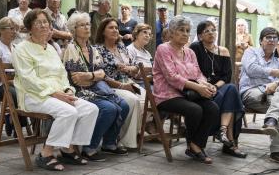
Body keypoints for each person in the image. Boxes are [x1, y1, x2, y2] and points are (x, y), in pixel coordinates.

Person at [12, 8, 99, 171]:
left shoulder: (51, 48)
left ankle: (67, 148)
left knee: (90, 109)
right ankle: (45, 154)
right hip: (34, 95)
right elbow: (28, 79)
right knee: (69, 111)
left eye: (46, 22)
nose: (44, 25)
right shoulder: (21, 48)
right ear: (30, 27)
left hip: (58, 95)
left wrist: (67, 90)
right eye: (38, 22)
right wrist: (56, 93)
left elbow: (61, 74)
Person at [63, 12, 130, 160]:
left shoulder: (93, 49)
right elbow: (75, 79)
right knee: (109, 108)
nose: (87, 27)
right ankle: (89, 148)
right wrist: (95, 76)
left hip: (97, 88)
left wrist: (90, 76)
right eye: (82, 25)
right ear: (74, 29)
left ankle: (109, 143)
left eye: (88, 24)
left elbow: (102, 73)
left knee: (124, 105)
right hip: (80, 91)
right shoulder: (71, 49)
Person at [153, 15, 219, 164]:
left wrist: (206, 85)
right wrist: (198, 87)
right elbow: (172, 77)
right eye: (181, 30)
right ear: (171, 32)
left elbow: (198, 74)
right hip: (167, 95)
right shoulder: (163, 49)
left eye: (187, 30)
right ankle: (194, 146)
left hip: (188, 94)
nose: (185, 33)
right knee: (195, 110)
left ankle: (195, 145)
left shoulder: (189, 52)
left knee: (213, 108)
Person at [190, 20, 246, 158]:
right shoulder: (195, 48)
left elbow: (227, 77)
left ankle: (223, 131)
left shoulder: (224, 51)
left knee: (231, 88)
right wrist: (207, 86)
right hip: (201, 88)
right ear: (200, 36)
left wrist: (215, 86)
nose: (211, 33)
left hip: (219, 87)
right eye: (206, 31)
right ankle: (229, 140)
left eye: (213, 30)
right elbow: (193, 71)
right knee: (231, 95)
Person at [240, 27, 279, 165]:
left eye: (274, 38)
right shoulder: (251, 52)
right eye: (268, 37)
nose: (272, 40)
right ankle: (277, 151)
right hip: (250, 91)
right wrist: (273, 72)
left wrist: (275, 85)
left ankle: (270, 120)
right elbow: (251, 70)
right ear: (261, 41)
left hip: (271, 96)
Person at [95, 17, 143, 149]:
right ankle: (125, 140)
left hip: (129, 81)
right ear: (103, 31)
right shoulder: (98, 49)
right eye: (111, 28)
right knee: (133, 100)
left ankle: (139, 133)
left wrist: (131, 68)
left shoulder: (121, 47)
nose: (115, 30)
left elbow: (134, 66)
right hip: (111, 86)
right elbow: (101, 76)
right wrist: (122, 86)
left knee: (148, 98)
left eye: (116, 27)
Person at [0, 17, 26, 136]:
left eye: (16, 29)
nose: (14, 32)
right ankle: (17, 125)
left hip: (13, 83)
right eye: (11, 28)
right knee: (16, 92)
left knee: (31, 91)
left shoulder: (15, 48)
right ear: (1, 30)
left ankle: (10, 117)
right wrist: (13, 79)